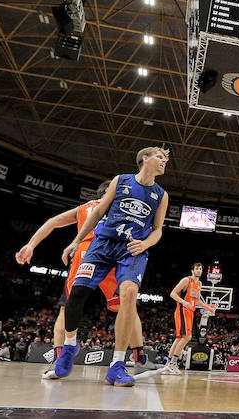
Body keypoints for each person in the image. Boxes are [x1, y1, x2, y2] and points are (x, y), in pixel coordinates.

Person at [52, 146, 170, 387]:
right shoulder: (121, 180)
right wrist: (75, 241)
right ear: (144, 159)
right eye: (160, 156)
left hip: (133, 248)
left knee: (129, 294)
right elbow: (97, 214)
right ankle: (70, 345)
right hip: (103, 243)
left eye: (166, 159)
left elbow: (158, 230)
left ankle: (117, 365)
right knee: (77, 294)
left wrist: (146, 243)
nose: (164, 161)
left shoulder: (161, 194)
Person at [15, 182, 151, 378]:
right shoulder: (117, 205)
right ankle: (138, 356)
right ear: (108, 192)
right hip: (102, 254)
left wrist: (31, 245)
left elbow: (53, 221)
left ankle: (61, 356)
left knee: (77, 305)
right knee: (121, 306)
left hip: (94, 254)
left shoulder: (88, 207)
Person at [164, 263, 216, 375]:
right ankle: (173, 363)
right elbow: (172, 294)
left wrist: (208, 308)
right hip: (182, 310)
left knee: (179, 338)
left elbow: (197, 301)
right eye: (197, 269)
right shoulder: (186, 280)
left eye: (201, 269)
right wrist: (184, 302)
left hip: (190, 312)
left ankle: (168, 364)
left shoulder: (199, 284)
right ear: (192, 270)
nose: (199, 270)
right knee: (187, 337)